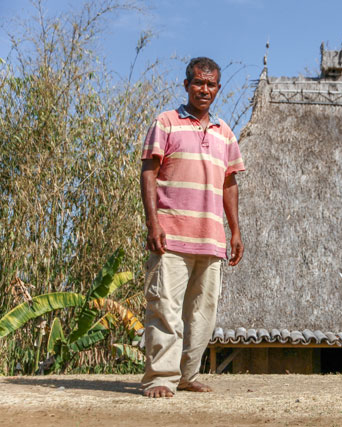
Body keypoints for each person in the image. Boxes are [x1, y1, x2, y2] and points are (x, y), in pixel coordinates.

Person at [139, 57, 245, 398]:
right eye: (198, 82)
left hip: (211, 238)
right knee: (165, 308)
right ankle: (160, 378)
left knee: (202, 314)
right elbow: (148, 173)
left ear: (217, 89)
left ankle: (187, 375)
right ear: (186, 85)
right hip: (170, 235)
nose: (204, 89)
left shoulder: (225, 133)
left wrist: (235, 231)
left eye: (211, 84)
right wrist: (152, 222)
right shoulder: (166, 123)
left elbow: (230, 184)